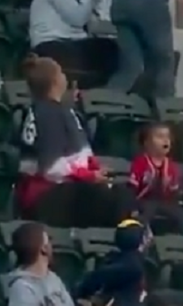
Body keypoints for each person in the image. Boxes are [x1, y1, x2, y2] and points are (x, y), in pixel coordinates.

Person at [13, 56, 122, 228]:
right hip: (45, 198)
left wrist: (93, 171)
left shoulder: (56, 110)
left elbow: (77, 158)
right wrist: (89, 176)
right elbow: (52, 168)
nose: (66, 77)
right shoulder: (48, 114)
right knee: (107, 197)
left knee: (121, 194)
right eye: (62, 73)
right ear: (55, 81)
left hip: (60, 193)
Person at [28, 0, 114, 88]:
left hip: (71, 43)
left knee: (110, 48)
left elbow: (94, 24)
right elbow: (78, 19)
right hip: (51, 47)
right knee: (105, 54)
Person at [1, 222, 87, 306]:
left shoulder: (54, 279)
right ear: (44, 249)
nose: (51, 246)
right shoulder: (21, 287)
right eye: (48, 241)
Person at [75, 219, 166, 306]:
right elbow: (92, 282)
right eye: (145, 236)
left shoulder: (115, 260)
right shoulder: (131, 266)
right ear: (139, 241)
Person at [128, 123, 183, 234]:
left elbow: (175, 192)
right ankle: (141, 238)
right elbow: (132, 188)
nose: (165, 141)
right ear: (147, 143)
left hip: (164, 202)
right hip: (144, 201)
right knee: (147, 211)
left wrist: (173, 187)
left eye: (167, 137)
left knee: (182, 214)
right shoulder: (140, 162)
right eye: (160, 137)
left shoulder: (171, 165)